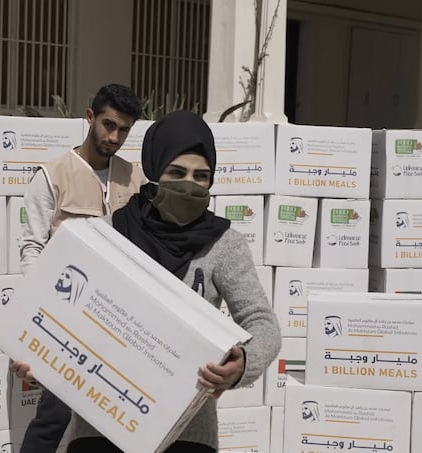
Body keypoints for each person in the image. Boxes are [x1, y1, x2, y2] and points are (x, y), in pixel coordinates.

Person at [14, 110, 281, 452]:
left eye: (201, 176)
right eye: (177, 172)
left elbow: (263, 324)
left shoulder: (224, 244)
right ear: (154, 171)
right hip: (102, 426)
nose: (190, 184)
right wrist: (42, 360)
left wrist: (244, 363)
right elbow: (67, 312)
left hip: (186, 434)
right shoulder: (111, 233)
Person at [16, 83, 144, 453]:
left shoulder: (134, 177)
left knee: (116, 417)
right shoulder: (52, 174)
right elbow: (31, 246)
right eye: (108, 125)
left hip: (119, 317)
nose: (114, 136)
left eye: (124, 130)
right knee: (54, 415)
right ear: (90, 117)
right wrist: (45, 307)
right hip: (66, 315)